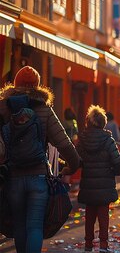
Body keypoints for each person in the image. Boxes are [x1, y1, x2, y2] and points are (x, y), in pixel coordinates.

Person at [0, 66, 81, 253]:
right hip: (38, 177)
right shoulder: (44, 109)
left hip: (12, 177)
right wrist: (72, 165)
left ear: (15, 83)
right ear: (37, 85)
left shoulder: (4, 107)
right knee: (34, 226)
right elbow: (64, 143)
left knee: (19, 225)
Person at [77, 105, 120, 253]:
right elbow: (118, 162)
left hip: (88, 183)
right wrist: (114, 172)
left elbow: (77, 160)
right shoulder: (108, 140)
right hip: (105, 183)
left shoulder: (82, 139)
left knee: (89, 215)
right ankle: (103, 245)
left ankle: (88, 245)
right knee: (103, 216)